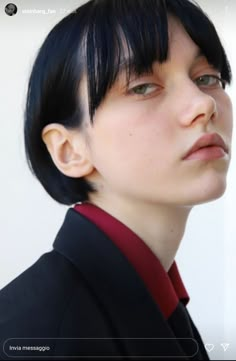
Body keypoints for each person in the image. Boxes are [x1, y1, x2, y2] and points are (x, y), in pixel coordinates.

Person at [0, 0, 233, 359]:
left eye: (207, 78)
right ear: (69, 150)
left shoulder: (153, 297)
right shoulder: (41, 335)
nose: (203, 103)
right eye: (143, 87)